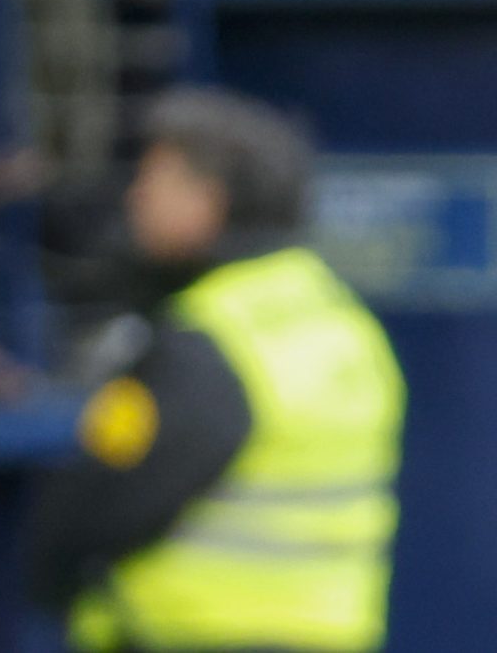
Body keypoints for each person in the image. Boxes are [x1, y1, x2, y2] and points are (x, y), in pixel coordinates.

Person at [27, 88, 406, 652]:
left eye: (154, 179)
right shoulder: (345, 323)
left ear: (208, 199)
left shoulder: (206, 342)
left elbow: (92, 509)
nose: (136, 196)